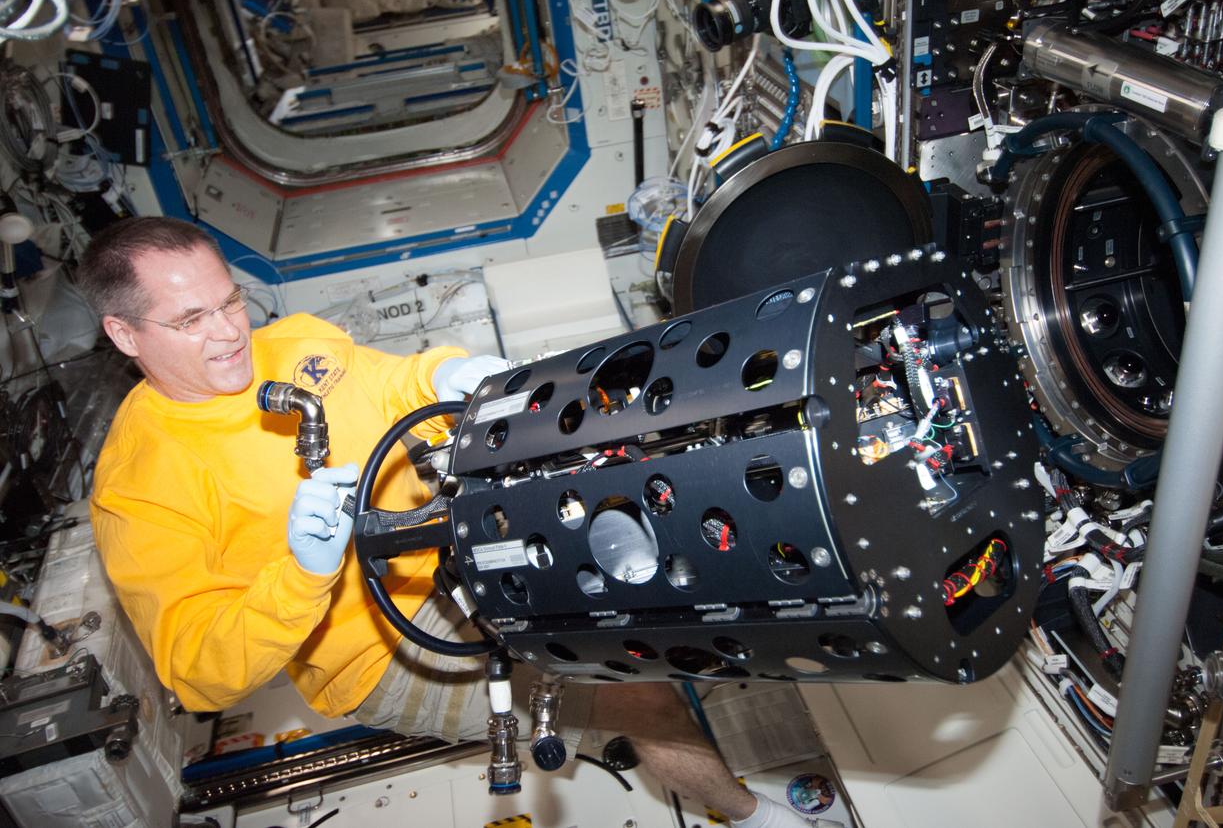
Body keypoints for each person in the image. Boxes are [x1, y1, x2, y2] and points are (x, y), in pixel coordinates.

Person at [81, 216, 843, 828]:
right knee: (637, 698)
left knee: (651, 588)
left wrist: (451, 373)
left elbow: (393, 384)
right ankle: (756, 818)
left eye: (229, 301)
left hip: (459, 543)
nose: (229, 332)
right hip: (375, 653)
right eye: (191, 320)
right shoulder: (137, 485)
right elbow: (198, 670)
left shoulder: (295, 341)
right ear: (125, 334)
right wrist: (302, 572)